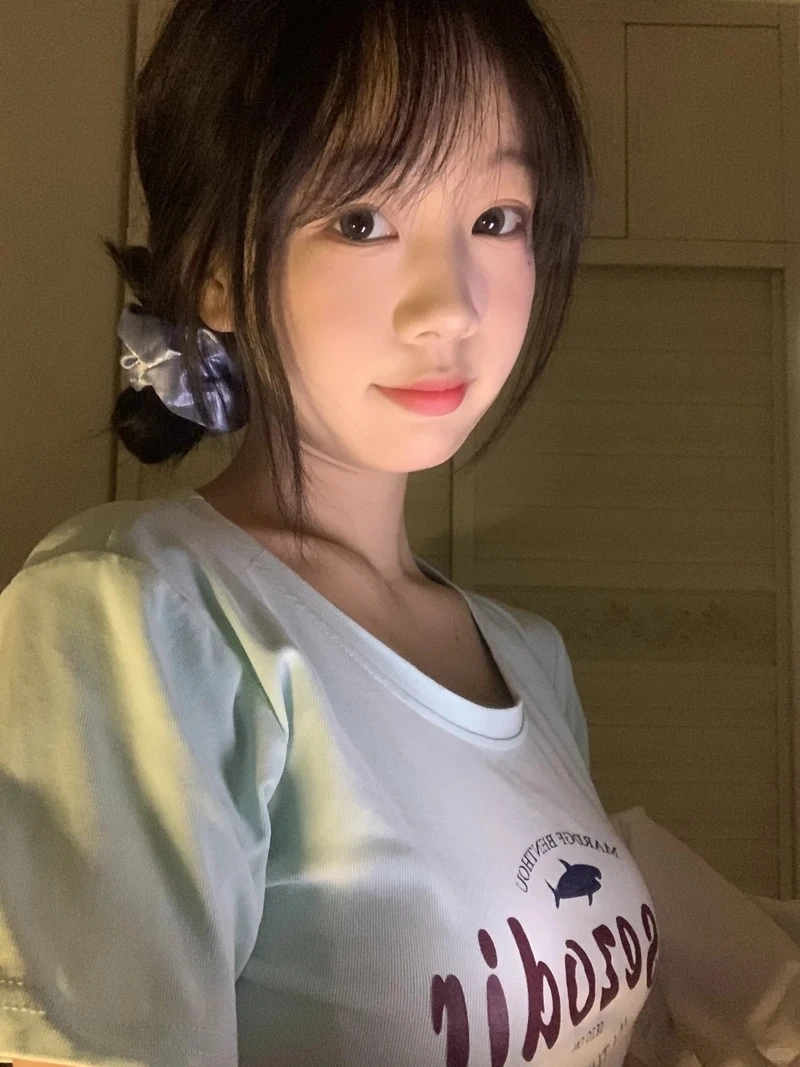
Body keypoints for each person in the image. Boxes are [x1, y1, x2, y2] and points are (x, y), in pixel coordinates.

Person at [0, 0, 660, 1064]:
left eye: (497, 218)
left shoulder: (529, 659)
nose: (451, 307)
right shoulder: (140, 620)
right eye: (361, 219)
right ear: (216, 270)